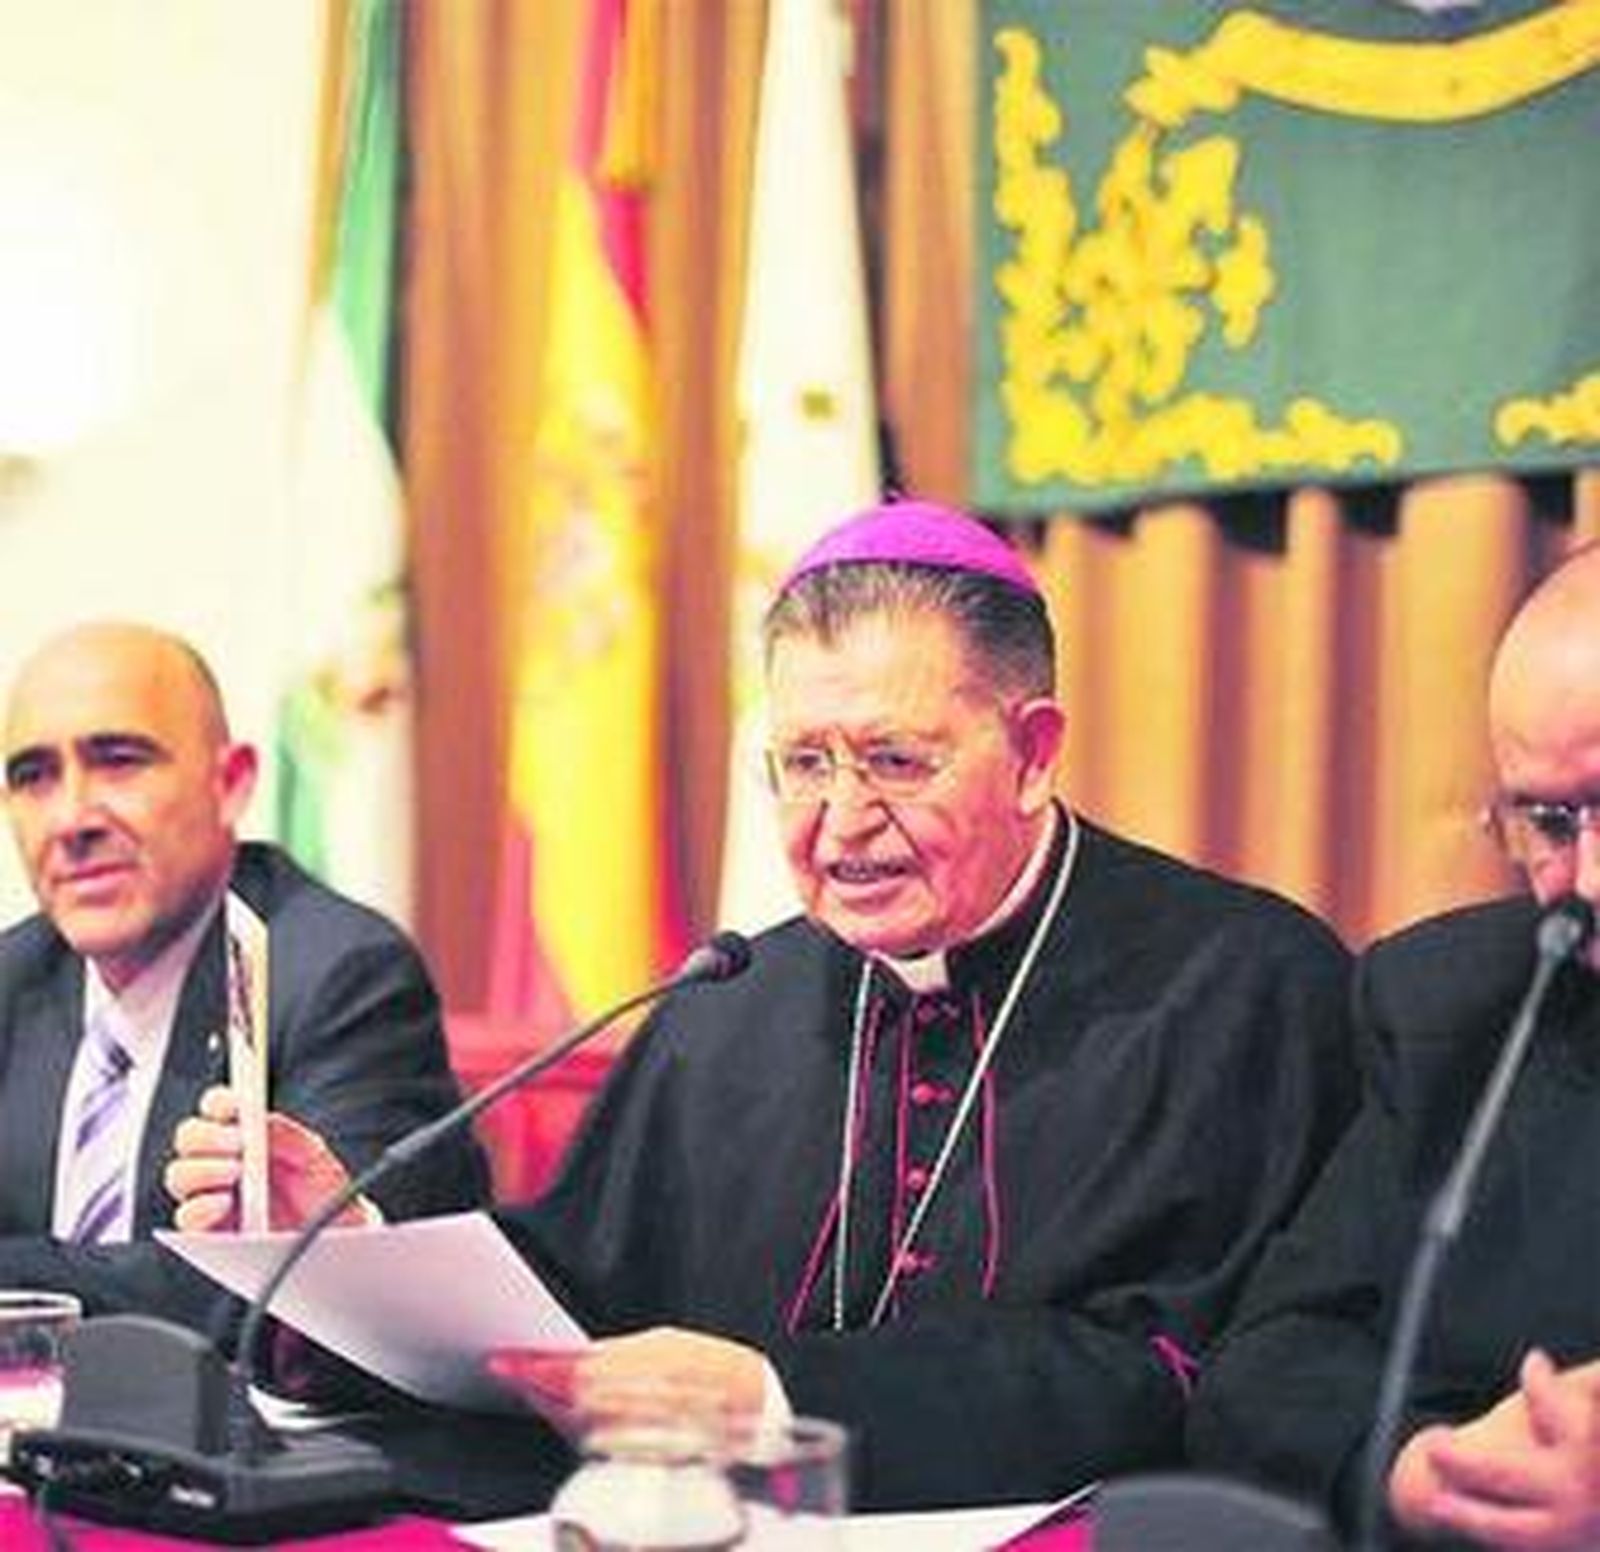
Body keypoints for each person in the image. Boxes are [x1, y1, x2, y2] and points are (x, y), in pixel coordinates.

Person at [172, 499, 1356, 1510]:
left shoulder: (1240, 984)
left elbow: (1194, 1374)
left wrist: (776, 1400)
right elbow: (577, 1302)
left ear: (1032, 752)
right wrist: (347, 1248)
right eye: (802, 763)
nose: (839, 822)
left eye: (895, 760)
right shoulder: (729, 997)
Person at [1187, 541, 1600, 1551]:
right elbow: (1267, 1366)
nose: (1584, 878)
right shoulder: (1452, 1007)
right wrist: (1424, 1470)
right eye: (1549, 820)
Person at [0, 620, 488, 1333]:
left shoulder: (341, 976)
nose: (72, 817)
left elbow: (272, 1287)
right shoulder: (15, 977)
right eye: (33, 776)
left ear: (230, 784)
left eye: (120, 761)